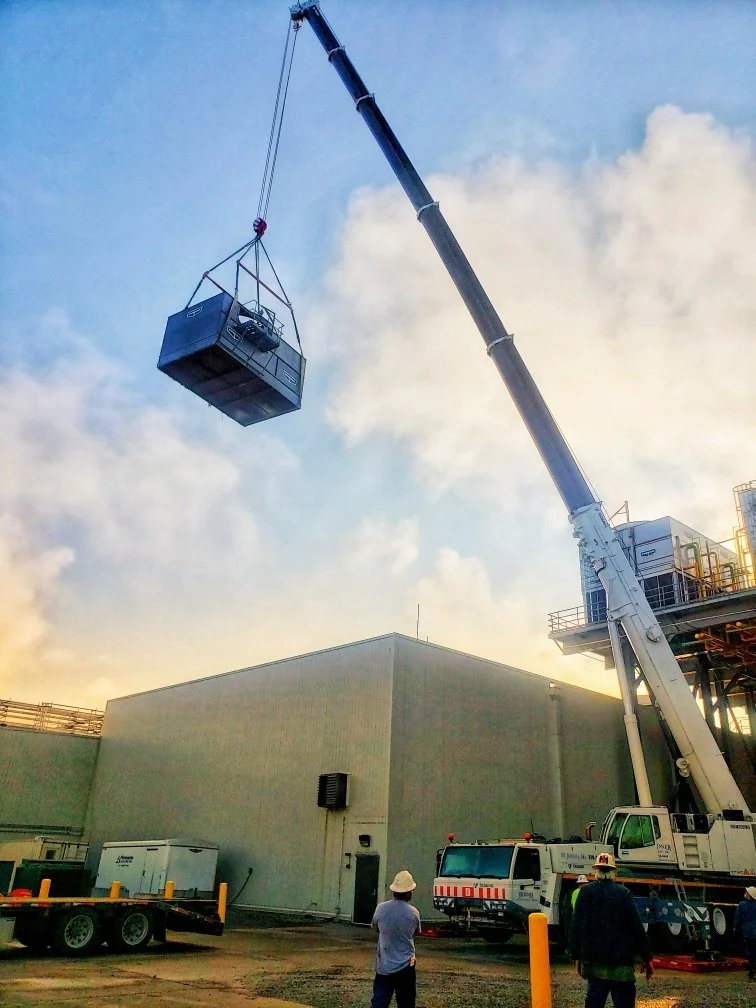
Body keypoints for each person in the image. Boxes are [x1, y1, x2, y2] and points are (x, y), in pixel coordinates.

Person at [570, 851, 653, 1008]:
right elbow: (636, 927)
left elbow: (577, 926)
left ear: (596, 871)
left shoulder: (585, 893)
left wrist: (576, 956)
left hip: (594, 964)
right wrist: (647, 957)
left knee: (594, 1002)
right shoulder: (623, 893)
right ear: (613, 872)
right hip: (621, 967)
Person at [369, 869, 422, 1008]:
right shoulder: (413, 913)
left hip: (384, 965)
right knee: (406, 1003)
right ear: (409, 892)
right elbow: (416, 933)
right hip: (406, 965)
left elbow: (375, 928)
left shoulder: (380, 908)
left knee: (379, 1002)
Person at [733, 885, 756, 980]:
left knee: (750, 952)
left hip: (747, 932)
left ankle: (752, 971)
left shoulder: (742, 905)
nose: (745, 893)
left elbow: (737, 918)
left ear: (749, 895)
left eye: (747, 892)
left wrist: (735, 928)